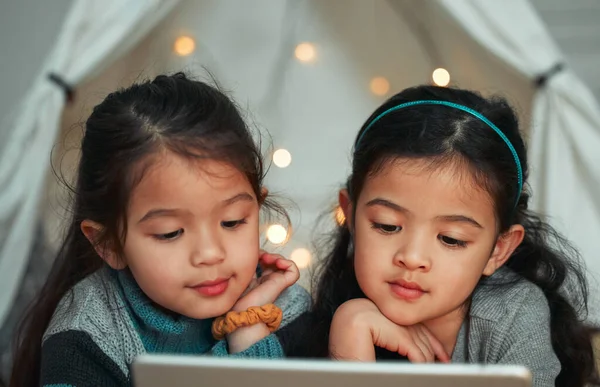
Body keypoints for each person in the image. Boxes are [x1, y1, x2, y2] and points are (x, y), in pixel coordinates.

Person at [280, 85, 599, 387]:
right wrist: (350, 333)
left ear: (498, 251)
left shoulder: (510, 316)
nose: (413, 257)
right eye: (387, 226)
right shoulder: (319, 315)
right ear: (349, 214)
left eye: (451, 239)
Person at [10, 73, 310, 387]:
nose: (210, 253)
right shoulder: (85, 334)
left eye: (232, 221)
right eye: (170, 233)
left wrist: (250, 325)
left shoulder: (284, 307)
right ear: (108, 243)